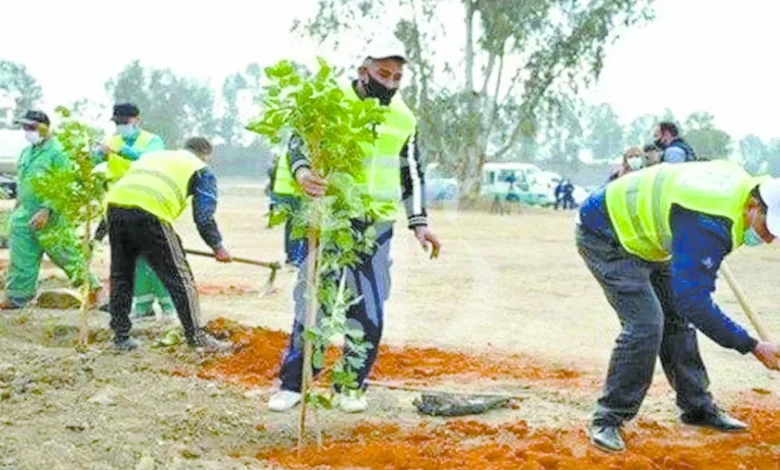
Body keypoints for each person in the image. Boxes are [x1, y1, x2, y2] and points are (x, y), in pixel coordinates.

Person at [268, 41, 442, 413]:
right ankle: (294, 382)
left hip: (376, 224)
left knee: (369, 308)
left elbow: (410, 169)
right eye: (383, 74)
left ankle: (350, 384)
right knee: (313, 299)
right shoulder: (331, 102)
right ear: (364, 70)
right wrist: (302, 173)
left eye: (397, 77)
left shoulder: (404, 117)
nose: (391, 83)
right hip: (330, 216)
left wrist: (419, 222)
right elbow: (298, 141)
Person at [576, 159, 780, 453]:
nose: (769, 238)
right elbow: (695, 301)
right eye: (767, 228)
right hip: (606, 232)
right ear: (752, 205)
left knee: (677, 320)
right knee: (646, 325)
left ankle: (697, 408)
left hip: (654, 237)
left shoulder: (742, 188)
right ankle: (608, 418)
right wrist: (752, 346)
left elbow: (689, 299)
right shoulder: (710, 223)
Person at [104, 137, 232, 352]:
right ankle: (197, 338)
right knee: (181, 279)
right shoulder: (200, 169)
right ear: (204, 154)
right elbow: (203, 216)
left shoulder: (154, 156)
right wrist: (217, 246)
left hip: (115, 207)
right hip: (150, 212)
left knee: (121, 275)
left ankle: (121, 337)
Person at [2, 110, 101, 309]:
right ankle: (17, 298)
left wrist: (47, 209)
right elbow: (23, 184)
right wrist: (17, 209)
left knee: (64, 254)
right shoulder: (26, 152)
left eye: (31, 127)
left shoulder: (58, 152)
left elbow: (64, 184)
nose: (27, 131)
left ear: (45, 127)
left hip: (50, 215)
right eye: (25, 127)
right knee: (21, 258)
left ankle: (92, 288)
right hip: (24, 214)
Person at [94, 103, 175, 321]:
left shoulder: (152, 141)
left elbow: (149, 159)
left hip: (146, 206)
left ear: (136, 120)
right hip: (118, 208)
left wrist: (120, 151)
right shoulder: (111, 142)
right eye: (117, 122)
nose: (120, 126)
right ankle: (143, 305)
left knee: (155, 256)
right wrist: (93, 154)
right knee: (130, 259)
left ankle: (168, 306)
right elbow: (96, 161)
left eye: (124, 122)